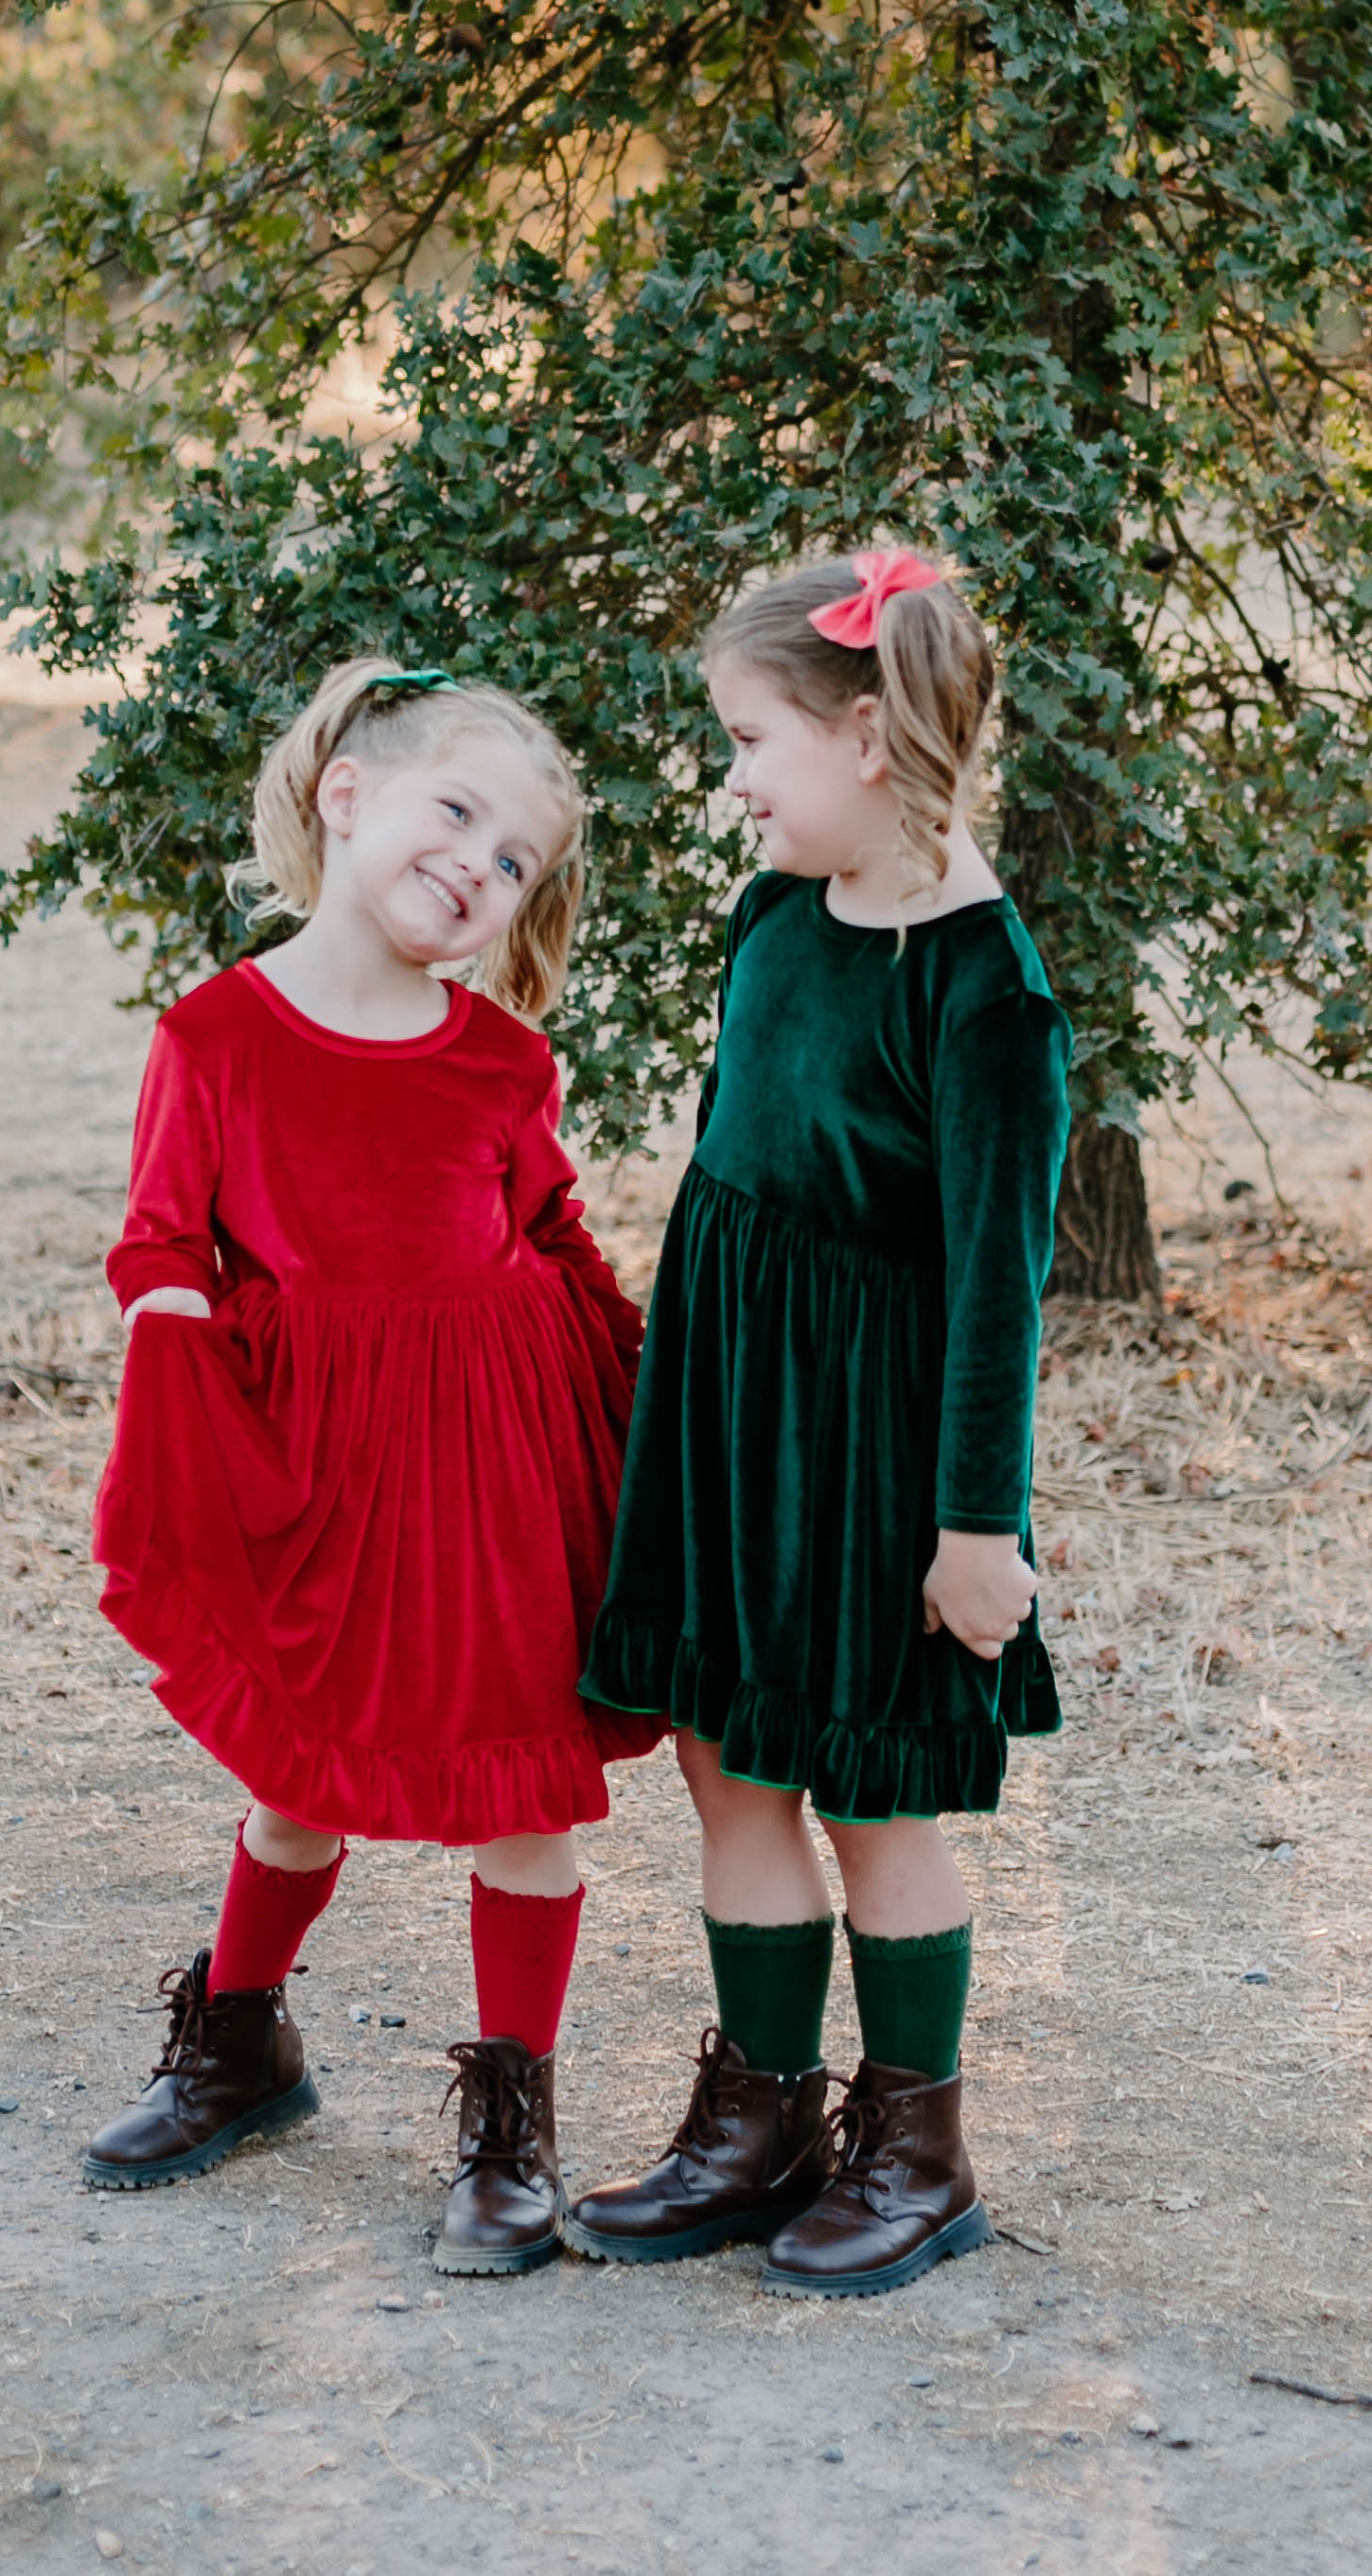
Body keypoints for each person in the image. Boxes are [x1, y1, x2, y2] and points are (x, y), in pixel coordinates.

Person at [79, 658, 656, 2276]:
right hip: (318, 1457)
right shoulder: (214, 1035)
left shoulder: (500, 1061)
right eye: (455, 813)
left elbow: (550, 1232)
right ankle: (239, 2044)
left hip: (500, 1460)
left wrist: (640, 1401)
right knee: (300, 1778)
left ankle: (510, 2127)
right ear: (346, 796)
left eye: (515, 859)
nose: (478, 864)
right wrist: (172, 1331)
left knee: (520, 1792)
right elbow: (159, 1239)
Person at [571, 549, 1071, 2297]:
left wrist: (974, 1527)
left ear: (864, 737)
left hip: (871, 1458)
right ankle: (756, 2126)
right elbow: (733, 1170)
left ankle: (917, 2156)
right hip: (734, 1412)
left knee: (870, 1802)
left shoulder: (985, 994)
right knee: (726, 1761)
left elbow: (997, 1294)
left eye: (747, 741)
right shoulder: (775, 913)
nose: (730, 782)